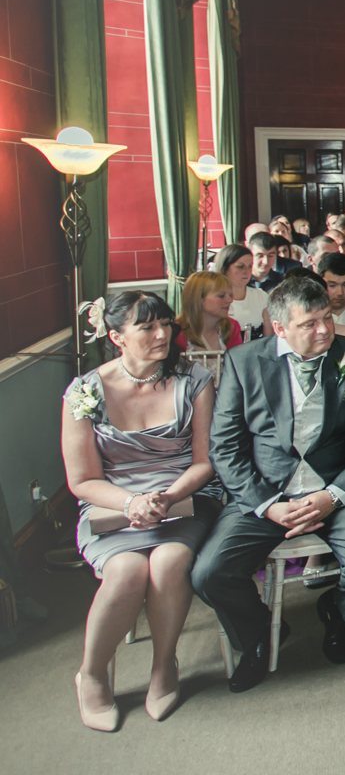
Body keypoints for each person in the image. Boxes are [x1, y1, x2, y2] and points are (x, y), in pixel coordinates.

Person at [192, 277, 345, 693]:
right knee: (209, 572)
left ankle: (336, 611)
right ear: (280, 328)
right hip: (266, 491)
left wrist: (332, 495)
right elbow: (225, 448)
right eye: (309, 324)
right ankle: (260, 634)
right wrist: (267, 505)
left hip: (338, 489)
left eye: (326, 318)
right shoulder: (244, 362)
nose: (324, 330)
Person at [62, 292, 223, 730]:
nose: (162, 335)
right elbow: (82, 480)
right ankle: (92, 673)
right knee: (127, 571)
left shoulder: (196, 380)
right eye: (147, 328)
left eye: (166, 325)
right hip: (112, 505)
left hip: (184, 496)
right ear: (116, 337)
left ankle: (164, 662)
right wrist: (131, 503)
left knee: (170, 562)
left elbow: (205, 461)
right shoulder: (85, 392)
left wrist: (166, 498)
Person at [175, 272, 243, 353]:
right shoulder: (176, 332)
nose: (230, 300)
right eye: (221, 296)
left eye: (230, 295)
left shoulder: (231, 327)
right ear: (198, 298)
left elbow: (239, 363)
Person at [215, 245, 272, 340]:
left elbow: (269, 339)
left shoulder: (261, 296)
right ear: (224, 269)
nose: (246, 271)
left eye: (250, 266)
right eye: (240, 267)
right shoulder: (213, 299)